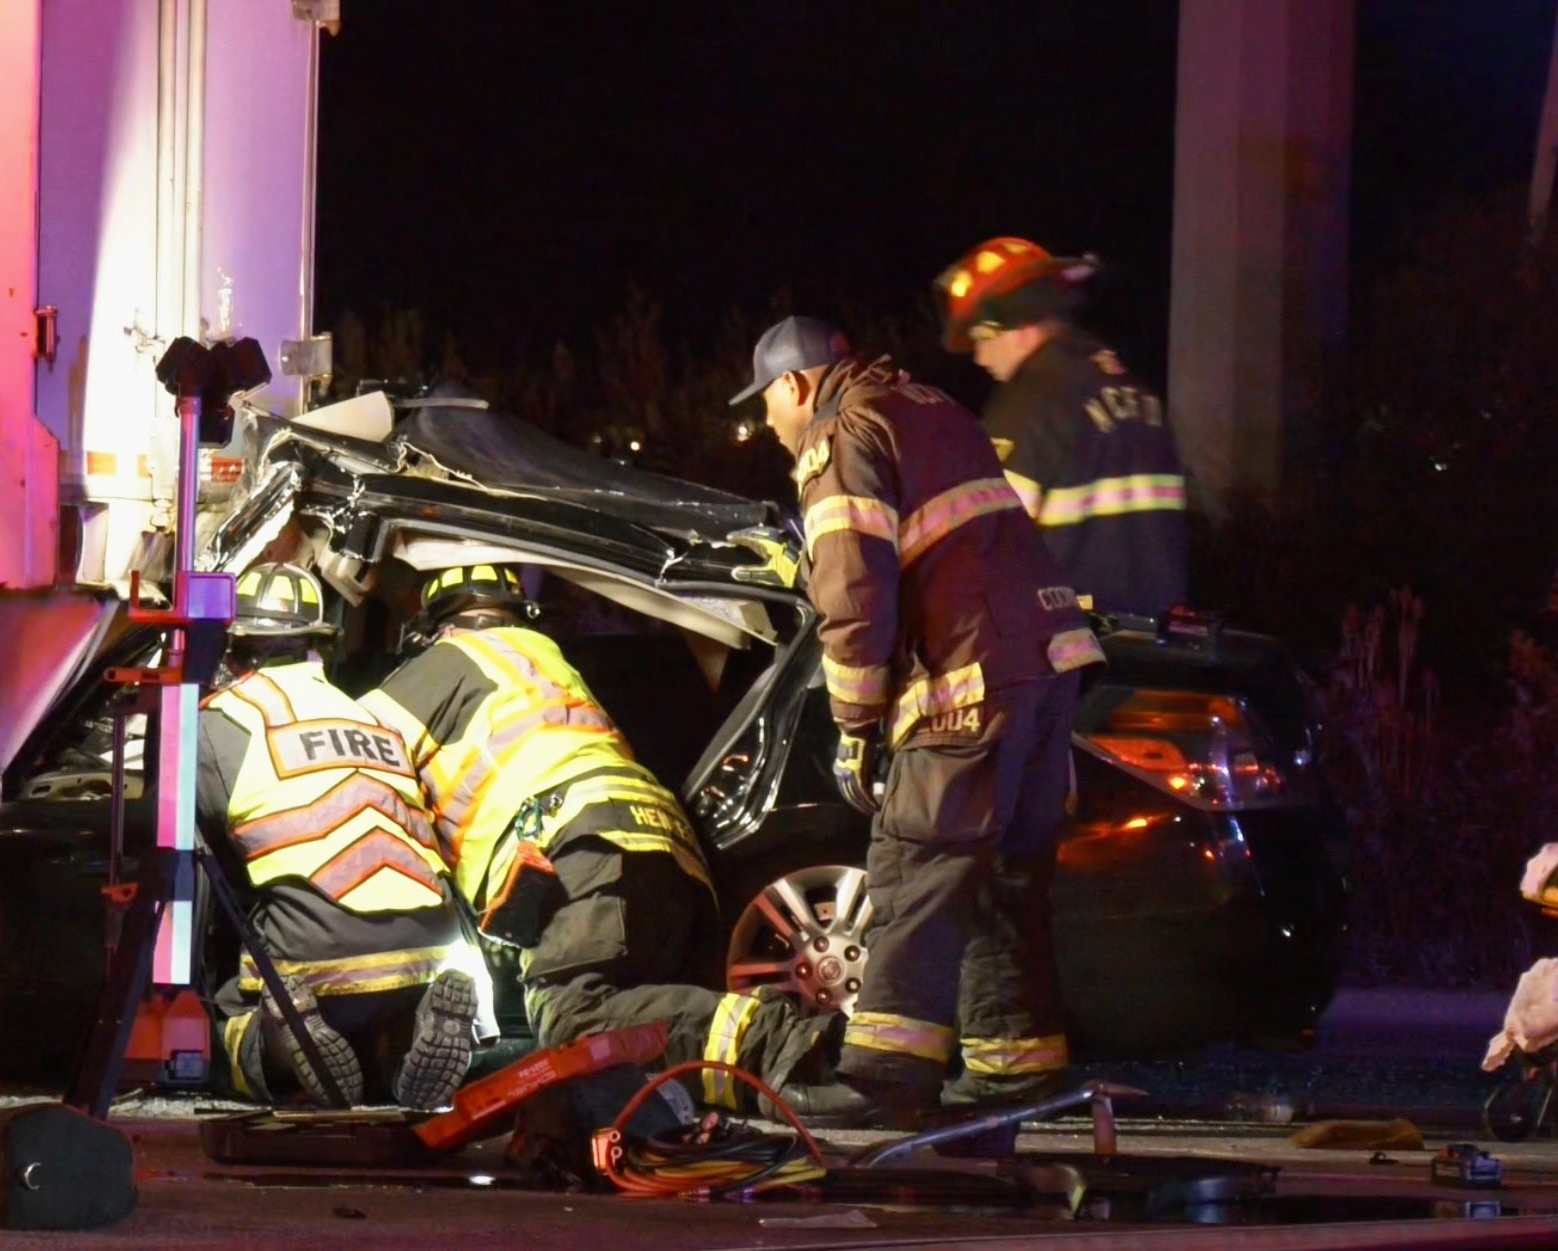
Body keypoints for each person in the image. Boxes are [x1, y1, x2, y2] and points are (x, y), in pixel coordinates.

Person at [729, 316, 1105, 1126]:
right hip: (1045, 665)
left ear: (794, 384)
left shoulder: (841, 435)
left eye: (766, 403)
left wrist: (854, 723)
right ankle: (1015, 1071)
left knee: (914, 869)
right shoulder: (928, 406)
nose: (768, 422)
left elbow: (853, 595)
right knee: (1003, 878)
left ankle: (882, 1082)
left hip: (968, 677)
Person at [362, 565, 837, 1116]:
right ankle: (752, 1090)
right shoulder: (548, 660)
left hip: (580, 842)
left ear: (436, 628)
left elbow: (349, 740)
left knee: (575, 1022)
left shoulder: (444, 662)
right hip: (667, 847)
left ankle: (777, 1040)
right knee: (631, 1039)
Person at [197, 562, 479, 1111]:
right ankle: (404, 1039)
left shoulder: (218, 722)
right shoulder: (373, 718)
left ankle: (281, 1043)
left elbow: (197, 851)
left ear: (231, 653)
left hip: (315, 957)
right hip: (430, 945)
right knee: (371, 1038)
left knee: (224, 1017)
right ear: (321, 650)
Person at [934, 237, 1188, 618]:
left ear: (1020, 327)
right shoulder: (1138, 396)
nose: (980, 356)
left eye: (982, 338)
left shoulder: (1028, 406)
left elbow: (981, 545)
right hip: (1155, 639)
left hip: (1066, 638)